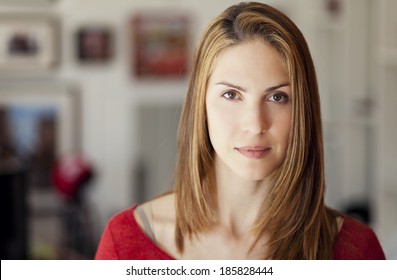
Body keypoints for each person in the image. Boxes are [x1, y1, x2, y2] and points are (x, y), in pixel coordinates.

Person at [95, 2, 385, 260]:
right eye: (232, 95)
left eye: (277, 97)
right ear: (201, 105)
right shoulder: (124, 243)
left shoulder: (356, 252)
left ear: (303, 111)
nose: (255, 124)